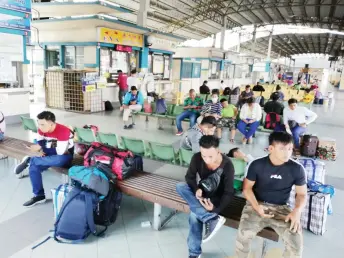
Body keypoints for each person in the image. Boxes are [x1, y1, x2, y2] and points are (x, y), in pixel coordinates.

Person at [236, 132, 307, 258]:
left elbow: (301, 194)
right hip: (256, 205)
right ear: (271, 149)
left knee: (296, 242)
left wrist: (297, 211)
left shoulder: (297, 169)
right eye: (282, 149)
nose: (287, 153)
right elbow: (247, 189)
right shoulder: (257, 165)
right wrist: (256, 206)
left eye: (290, 149)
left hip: (281, 208)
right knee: (243, 236)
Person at [176, 135, 235, 258]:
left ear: (218, 151)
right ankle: (209, 218)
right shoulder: (197, 158)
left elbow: (228, 192)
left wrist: (216, 208)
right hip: (202, 193)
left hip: (217, 198)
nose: (206, 159)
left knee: (194, 215)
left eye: (210, 156)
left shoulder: (228, 165)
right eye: (204, 155)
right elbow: (189, 177)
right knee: (180, 186)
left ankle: (194, 253)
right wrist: (196, 189)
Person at [14, 111, 74, 207]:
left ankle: (30, 160)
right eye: (38, 124)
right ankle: (39, 195)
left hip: (64, 157)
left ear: (51, 123)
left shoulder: (63, 130)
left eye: (42, 124)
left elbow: (60, 152)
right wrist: (41, 149)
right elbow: (40, 142)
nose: (40, 127)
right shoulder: (42, 129)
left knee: (38, 161)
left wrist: (42, 146)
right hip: (48, 155)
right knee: (34, 167)